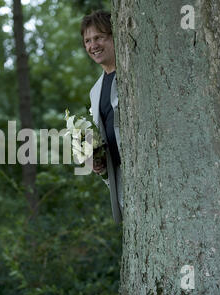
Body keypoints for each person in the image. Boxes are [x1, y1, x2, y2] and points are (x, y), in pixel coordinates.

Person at [81, 10, 123, 223]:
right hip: (122, 182)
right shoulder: (95, 90)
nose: (92, 45)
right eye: (87, 40)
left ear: (115, 35)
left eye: (99, 37)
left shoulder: (129, 74)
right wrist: (96, 160)